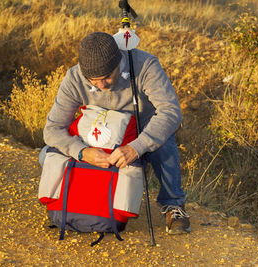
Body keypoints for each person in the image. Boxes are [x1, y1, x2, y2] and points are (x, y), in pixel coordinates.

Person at [40, 32, 190, 234]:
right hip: (98, 140)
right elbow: (52, 129)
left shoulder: (145, 66)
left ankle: (173, 204)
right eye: (93, 80)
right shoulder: (75, 77)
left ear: (119, 61)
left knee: (164, 141)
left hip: (138, 136)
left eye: (106, 77)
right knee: (46, 154)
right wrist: (82, 152)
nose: (101, 85)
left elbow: (170, 112)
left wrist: (137, 148)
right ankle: (89, 199)